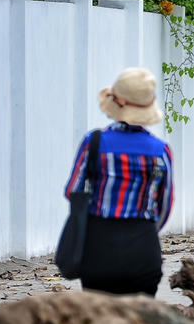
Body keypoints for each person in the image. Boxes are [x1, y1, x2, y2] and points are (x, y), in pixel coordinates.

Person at [64, 67, 174, 296]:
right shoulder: (161, 151)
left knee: (100, 315)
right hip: (143, 251)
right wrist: (144, 230)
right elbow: (165, 204)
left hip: (98, 250)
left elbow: (73, 191)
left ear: (116, 103)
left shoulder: (93, 142)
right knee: (138, 317)